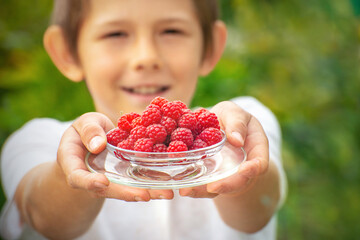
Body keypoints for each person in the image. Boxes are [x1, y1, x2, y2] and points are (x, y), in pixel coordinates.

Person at [0, 0, 287, 239]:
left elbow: (258, 210)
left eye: (171, 31)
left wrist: (241, 164)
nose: (146, 57)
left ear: (211, 46)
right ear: (67, 53)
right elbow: (45, 217)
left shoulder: (243, 121)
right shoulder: (37, 140)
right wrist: (70, 176)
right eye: (116, 34)